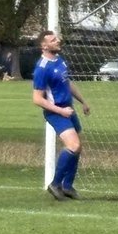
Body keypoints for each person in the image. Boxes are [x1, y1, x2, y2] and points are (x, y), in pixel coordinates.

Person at [32, 30, 91, 201]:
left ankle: (67, 186)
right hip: (56, 112)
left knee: (78, 147)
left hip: (68, 109)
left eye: (57, 38)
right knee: (73, 145)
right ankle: (55, 184)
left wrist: (83, 101)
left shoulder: (60, 61)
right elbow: (37, 99)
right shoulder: (42, 68)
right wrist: (61, 111)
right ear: (44, 46)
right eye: (53, 39)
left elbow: (67, 83)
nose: (58, 40)